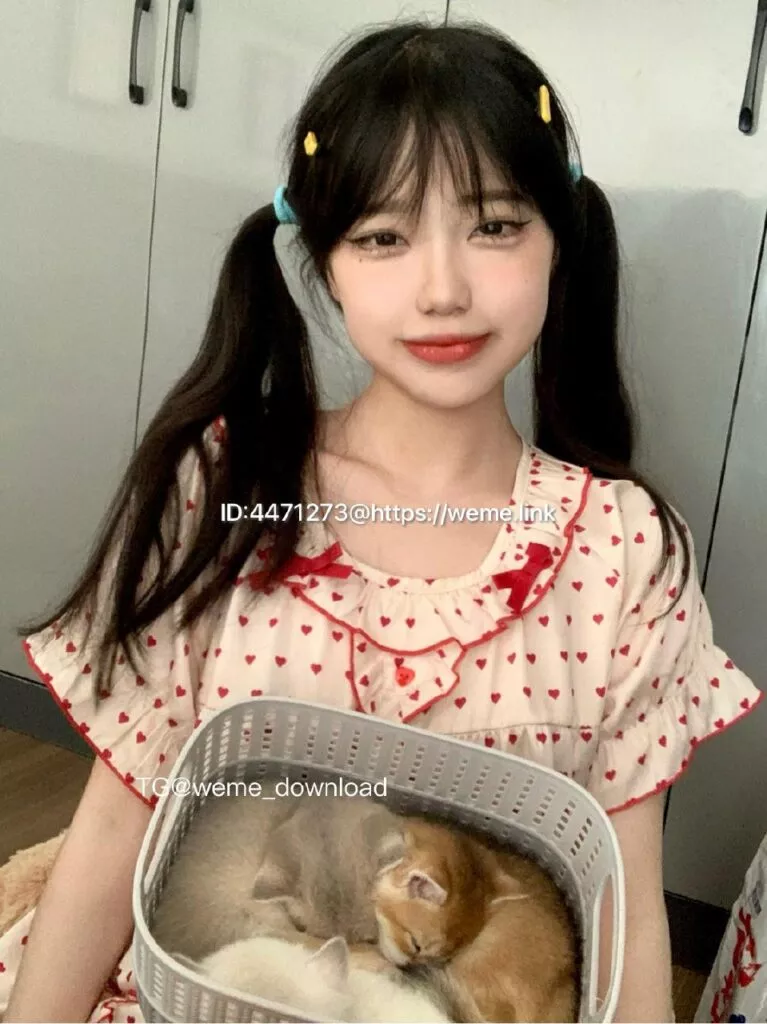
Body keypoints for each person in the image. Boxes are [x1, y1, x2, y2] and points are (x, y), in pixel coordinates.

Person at [1, 19, 762, 1024]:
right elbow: (115, 831)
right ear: (321, 260)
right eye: (381, 236)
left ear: (559, 238)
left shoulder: (623, 551)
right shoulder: (227, 487)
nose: (442, 289)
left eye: (495, 225)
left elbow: (619, 910)